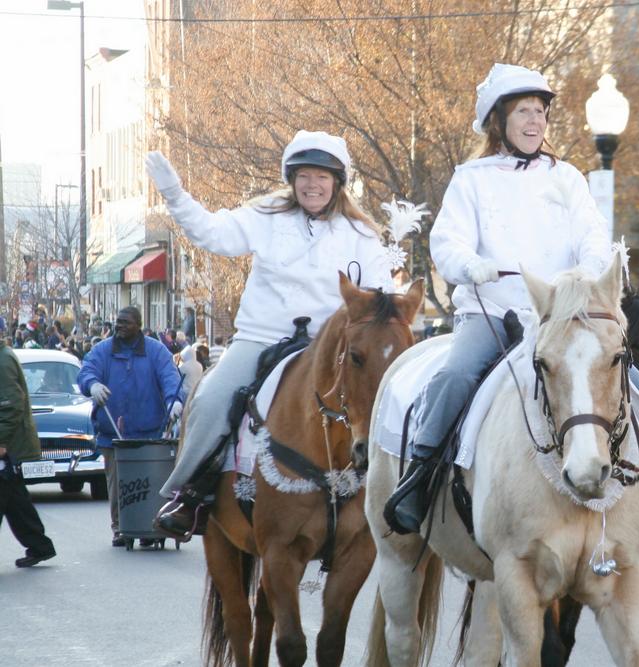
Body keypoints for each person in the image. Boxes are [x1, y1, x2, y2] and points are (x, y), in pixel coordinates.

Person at [383, 63, 639, 547]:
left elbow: (593, 237)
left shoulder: (567, 177)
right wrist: (468, 265)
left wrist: (588, 271)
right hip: (495, 312)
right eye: (524, 111)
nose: (535, 121)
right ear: (499, 120)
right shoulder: (471, 178)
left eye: (540, 112)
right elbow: (447, 241)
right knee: (455, 376)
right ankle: (417, 482)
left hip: (565, 317)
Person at [145, 130, 394, 540]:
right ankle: (191, 493)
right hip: (262, 340)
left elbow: (377, 295)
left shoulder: (363, 235)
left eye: (322, 177)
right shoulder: (266, 216)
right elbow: (211, 233)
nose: (312, 185)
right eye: (304, 176)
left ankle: (396, 490)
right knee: (210, 400)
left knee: (383, 399)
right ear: (292, 180)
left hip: (330, 349)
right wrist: (174, 193)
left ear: (337, 183)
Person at [77, 306, 183, 546]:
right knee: (118, 485)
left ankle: (149, 525)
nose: (119, 326)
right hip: (113, 433)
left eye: (125, 322)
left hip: (150, 434)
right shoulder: (103, 351)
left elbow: (170, 378)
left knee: (151, 483)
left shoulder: (156, 352)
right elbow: (86, 371)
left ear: (139, 325)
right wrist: (92, 384)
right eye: (118, 322)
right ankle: (121, 527)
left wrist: (174, 401)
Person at [0, 337, 57, 568]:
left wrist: (1, 440)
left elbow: (10, 404)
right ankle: (40, 546)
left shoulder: (2, 361)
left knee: (8, 493)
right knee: (15, 500)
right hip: (9, 446)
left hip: (8, 446)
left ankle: (40, 545)